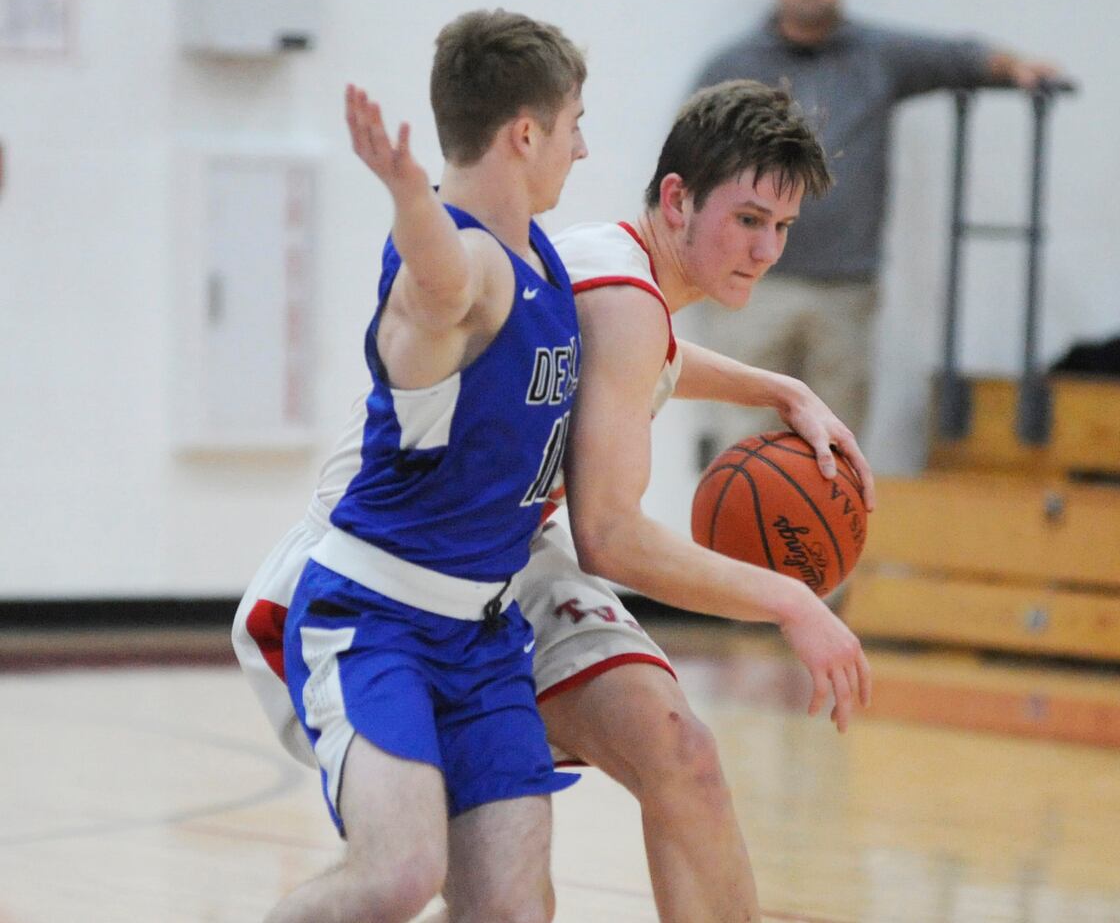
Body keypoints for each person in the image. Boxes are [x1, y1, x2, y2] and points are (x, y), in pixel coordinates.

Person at [236, 79, 874, 923]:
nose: (764, 249)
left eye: (781, 228)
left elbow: (642, 357)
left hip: (498, 568)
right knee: (439, 879)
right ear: (676, 200)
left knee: (675, 756)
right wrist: (789, 599)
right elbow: (609, 537)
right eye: (748, 219)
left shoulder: (609, 266)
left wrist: (776, 388)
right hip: (377, 574)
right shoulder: (621, 292)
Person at [260, 8, 588, 923]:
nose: (582, 149)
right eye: (574, 126)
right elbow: (443, 286)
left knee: (513, 910)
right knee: (397, 875)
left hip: (482, 636)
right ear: (525, 133)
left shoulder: (544, 255)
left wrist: (772, 388)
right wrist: (409, 197)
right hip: (377, 620)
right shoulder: (459, 262)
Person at [692, 0, 1060, 443]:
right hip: (750, 287)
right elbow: (693, 165)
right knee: (739, 441)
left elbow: (956, 58)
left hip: (845, 289)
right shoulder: (733, 66)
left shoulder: (876, 56)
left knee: (833, 444)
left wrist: (1015, 66)